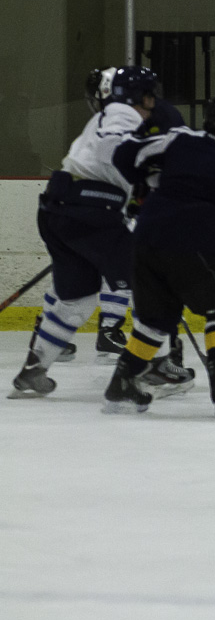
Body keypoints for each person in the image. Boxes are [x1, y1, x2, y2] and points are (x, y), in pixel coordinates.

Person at [8, 66, 170, 398]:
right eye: (150, 96)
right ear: (137, 96)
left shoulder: (103, 117)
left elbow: (111, 167)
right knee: (149, 285)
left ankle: (33, 372)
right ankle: (157, 366)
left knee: (76, 300)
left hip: (58, 208)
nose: (154, 103)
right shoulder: (124, 113)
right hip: (91, 211)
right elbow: (114, 150)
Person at [105, 93, 215, 417]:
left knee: (156, 320)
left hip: (144, 240)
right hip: (191, 244)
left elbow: (123, 154)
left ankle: (121, 383)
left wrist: (145, 183)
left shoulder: (178, 138)